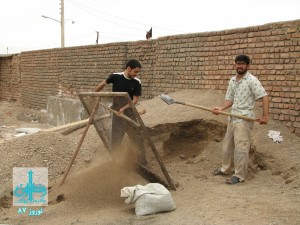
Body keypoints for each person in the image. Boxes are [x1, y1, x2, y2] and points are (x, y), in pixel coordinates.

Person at [212, 54, 269, 184]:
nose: (240, 66)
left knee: (241, 148)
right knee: (227, 146)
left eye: (243, 64)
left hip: (244, 119)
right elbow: (230, 99)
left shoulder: (252, 80)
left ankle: (239, 175)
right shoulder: (232, 81)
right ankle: (226, 169)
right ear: (235, 65)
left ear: (248, 66)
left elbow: (264, 96)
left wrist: (265, 116)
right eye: (238, 63)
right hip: (233, 117)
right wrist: (221, 108)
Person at [94, 59, 147, 165]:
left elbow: (135, 100)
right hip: (116, 111)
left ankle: (142, 163)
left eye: (138, 72)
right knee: (116, 138)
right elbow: (103, 84)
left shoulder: (137, 82)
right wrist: (94, 93)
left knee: (136, 136)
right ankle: (115, 162)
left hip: (130, 111)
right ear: (128, 68)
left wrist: (124, 109)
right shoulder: (115, 76)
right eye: (135, 72)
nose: (136, 74)